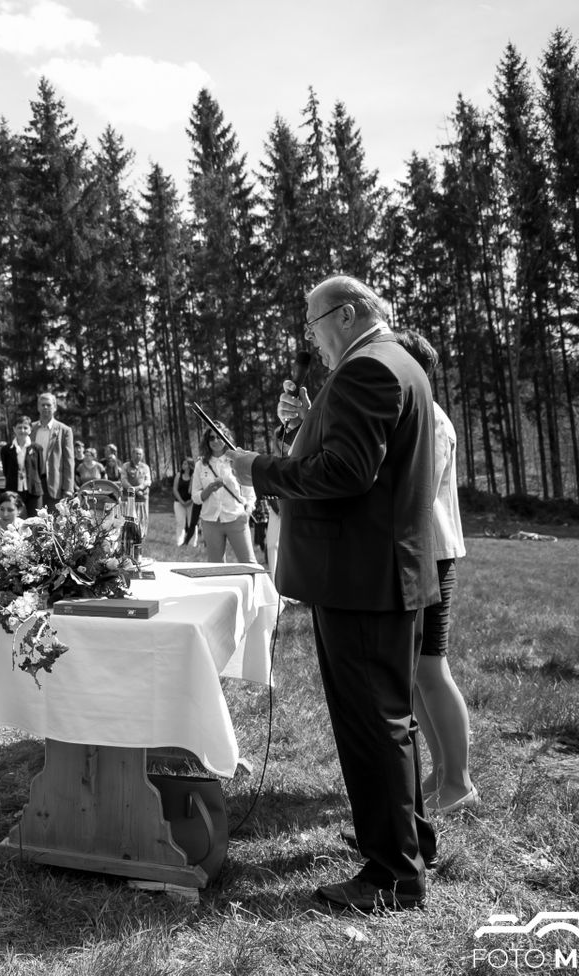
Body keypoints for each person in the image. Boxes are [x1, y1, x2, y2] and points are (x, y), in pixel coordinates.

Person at [228, 275, 439, 913]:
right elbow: (347, 454)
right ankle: (407, 839)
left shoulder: (366, 368)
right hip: (380, 573)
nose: (311, 338)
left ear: (345, 315)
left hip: (360, 577)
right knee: (390, 719)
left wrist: (258, 469)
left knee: (371, 724)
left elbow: (346, 472)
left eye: (313, 323)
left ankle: (392, 874)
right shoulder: (395, 362)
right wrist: (305, 425)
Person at [395, 329, 477, 817]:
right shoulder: (418, 415)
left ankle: (459, 781)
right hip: (418, 553)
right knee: (415, 673)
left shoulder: (433, 421)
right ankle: (441, 770)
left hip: (433, 554)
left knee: (431, 668)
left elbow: (417, 494)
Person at [192, 428, 256, 564]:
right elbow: (195, 497)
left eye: (219, 437)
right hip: (210, 521)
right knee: (216, 567)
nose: (215, 441)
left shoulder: (236, 460)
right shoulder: (200, 465)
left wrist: (248, 510)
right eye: (211, 438)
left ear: (226, 438)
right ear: (207, 441)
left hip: (236, 517)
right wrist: (209, 489)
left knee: (249, 563)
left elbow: (249, 490)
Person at [33, 392, 75, 509]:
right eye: (42, 405)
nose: (45, 407)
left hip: (54, 484)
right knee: (33, 518)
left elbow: (68, 461)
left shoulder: (64, 430)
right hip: (33, 484)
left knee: (53, 518)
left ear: (55, 407)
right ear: (38, 407)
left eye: (48, 405)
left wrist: (68, 488)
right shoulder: (30, 429)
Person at [0, 415, 44, 517]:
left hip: (34, 490)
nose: (22, 430)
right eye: (19, 427)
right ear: (14, 429)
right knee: (16, 521)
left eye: (25, 428)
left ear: (30, 429)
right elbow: (6, 471)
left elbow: (40, 469)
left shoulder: (37, 448)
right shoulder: (6, 449)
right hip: (14, 490)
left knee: (35, 521)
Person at [121, 445, 152, 543]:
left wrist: (139, 488)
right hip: (129, 497)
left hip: (142, 497)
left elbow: (148, 481)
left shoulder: (145, 467)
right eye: (136, 453)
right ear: (132, 454)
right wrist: (132, 490)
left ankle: (140, 538)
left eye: (140, 454)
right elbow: (124, 480)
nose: (138, 455)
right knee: (129, 518)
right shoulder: (126, 466)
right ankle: (128, 537)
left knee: (142, 518)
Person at [171, 458, 197, 548]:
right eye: (183, 463)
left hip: (191, 503)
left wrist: (191, 501)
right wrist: (181, 501)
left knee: (192, 523)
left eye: (185, 464)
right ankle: (179, 542)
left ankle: (192, 543)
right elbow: (175, 489)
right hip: (179, 503)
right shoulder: (178, 475)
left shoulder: (194, 476)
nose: (183, 465)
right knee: (180, 522)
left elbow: (196, 490)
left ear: (190, 465)